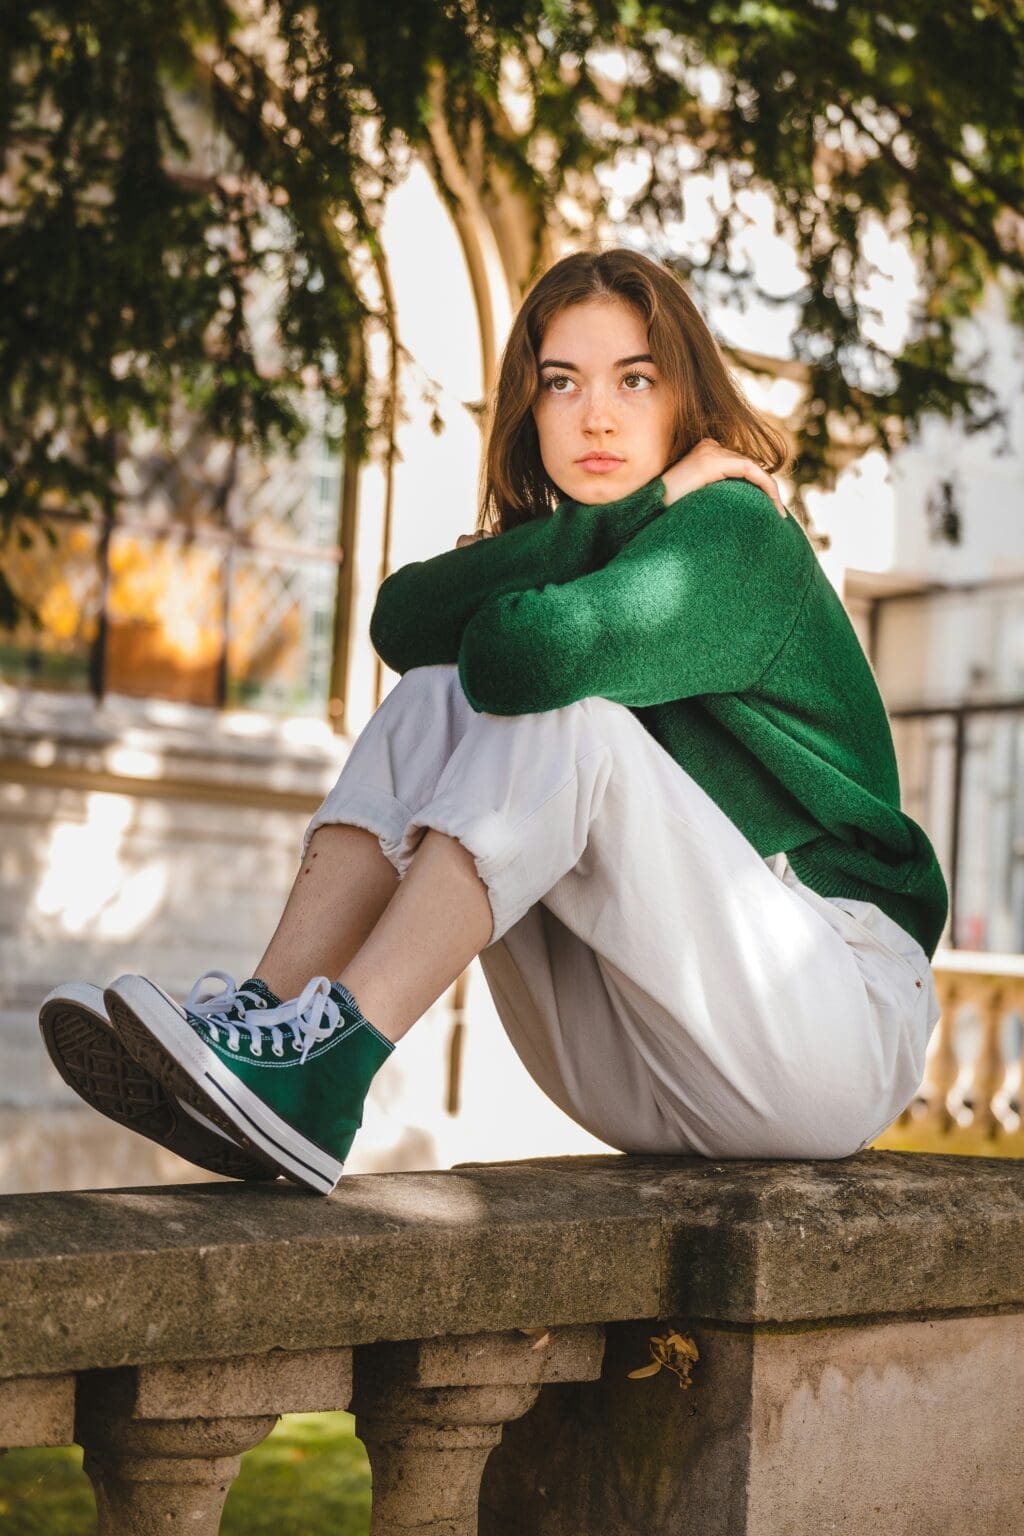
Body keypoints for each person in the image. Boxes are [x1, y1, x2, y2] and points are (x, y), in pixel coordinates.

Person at [38, 247, 948, 1196]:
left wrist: (642, 514)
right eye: (563, 385)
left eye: (635, 380)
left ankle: (332, 1064)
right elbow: (402, 622)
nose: (597, 414)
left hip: (828, 1019)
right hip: (663, 1053)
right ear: (531, 407)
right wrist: (623, 515)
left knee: (554, 711)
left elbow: (525, 661)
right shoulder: (603, 534)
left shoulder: (735, 531)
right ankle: (269, 1030)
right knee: (438, 692)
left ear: (686, 400)